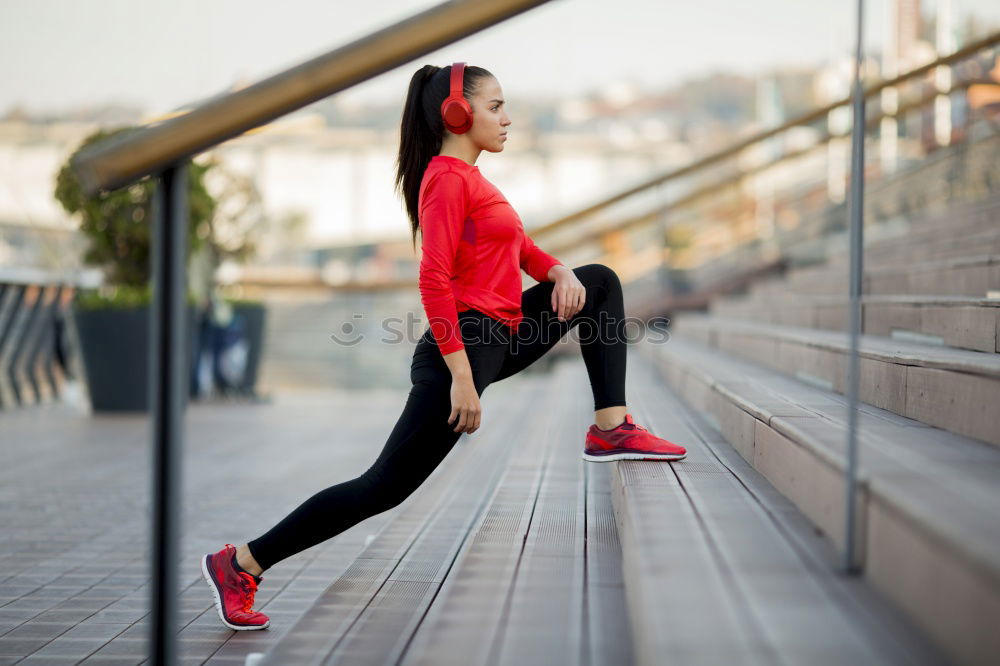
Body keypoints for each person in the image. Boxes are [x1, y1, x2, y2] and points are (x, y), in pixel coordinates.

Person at [201, 62, 687, 631]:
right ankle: (240, 563)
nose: (508, 118)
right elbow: (433, 278)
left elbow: (519, 248)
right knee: (381, 487)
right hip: (462, 348)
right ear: (457, 114)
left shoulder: (474, 180)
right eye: (496, 106)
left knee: (597, 279)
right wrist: (460, 376)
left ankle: (610, 426)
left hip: (500, 336)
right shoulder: (447, 179)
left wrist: (556, 271)